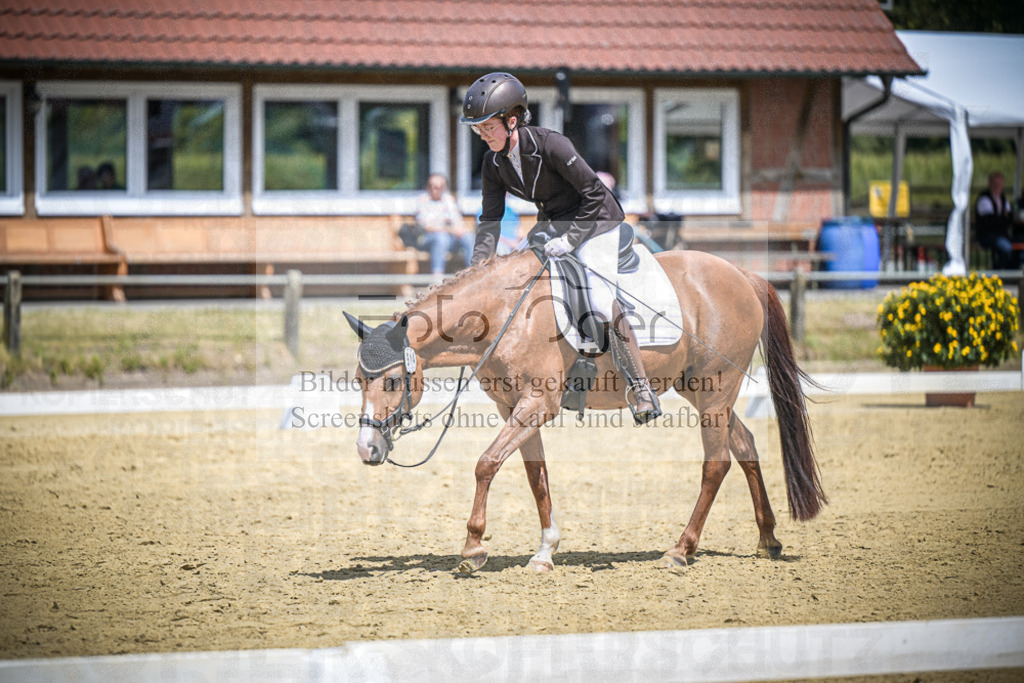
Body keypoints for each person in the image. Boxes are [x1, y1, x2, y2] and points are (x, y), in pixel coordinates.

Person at [460, 72, 661, 424]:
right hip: (552, 225)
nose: (483, 135)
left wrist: (570, 240)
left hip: (596, 221)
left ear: (512, 120)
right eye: (478, 129)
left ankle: (641, 387)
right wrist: (477, 270)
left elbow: (594, 193)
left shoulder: (553, 145)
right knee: (512, 277)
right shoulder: (493, 162)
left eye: (488, 127)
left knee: (599, 297)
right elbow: (490, 220)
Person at [415, 173, 474, 275]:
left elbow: (458, 221)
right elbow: (426, 227)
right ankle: (437, 275)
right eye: (434, 187)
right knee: (441, 238)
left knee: (469, 237)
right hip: (427, 240)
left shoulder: (449, 201)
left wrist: (460, 230)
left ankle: (473, 272)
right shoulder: (423, 201)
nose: (437, 190)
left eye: (441, 187)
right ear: (428, 187)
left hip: (451, 239)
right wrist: (449, 229)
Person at [974, 171, 1018, 268]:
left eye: (999, 184)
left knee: (1018, 243)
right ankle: (998, 270)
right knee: (1005, 246)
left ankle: (1012, 271)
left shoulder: (1003, 199)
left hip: (1002, 235)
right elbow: (991, 221)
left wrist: (1002, 219)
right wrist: (1004, 218)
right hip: (986, 236)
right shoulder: (984, 199)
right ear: (990, 184)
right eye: (995, 183)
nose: (997, 186)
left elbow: (1009, 218)